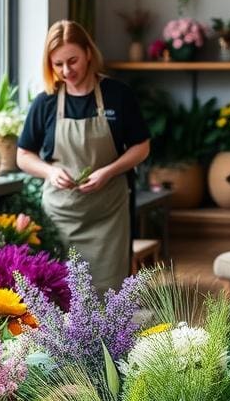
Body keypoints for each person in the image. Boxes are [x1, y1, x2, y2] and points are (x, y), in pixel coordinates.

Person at [17, 20, 150, 292]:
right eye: (58, 64)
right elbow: (24, 155)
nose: (67, 71)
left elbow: (141, 147)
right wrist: (50, 172)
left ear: (89, 53)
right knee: (62, 293)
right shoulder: (47, 101)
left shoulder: (118, 95)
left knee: (108, 295)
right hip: (60, 216)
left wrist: (108, 171)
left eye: (73, 60)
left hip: (108, 216)